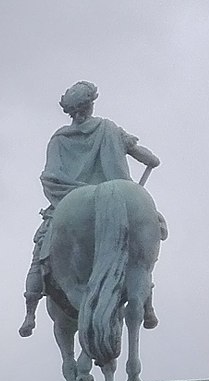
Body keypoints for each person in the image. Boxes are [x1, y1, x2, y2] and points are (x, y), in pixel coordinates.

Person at [20, 81, 161, 337]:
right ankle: (148, 304)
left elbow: (50, 177)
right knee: (148, 236)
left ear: (70, 111)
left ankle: (30, 313)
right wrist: (133, 150)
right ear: (91, 104)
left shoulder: (59, 139)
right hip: (120, 194)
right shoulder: (110, 129)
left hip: (69, 201)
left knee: (40, 254)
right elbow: (152, 160)